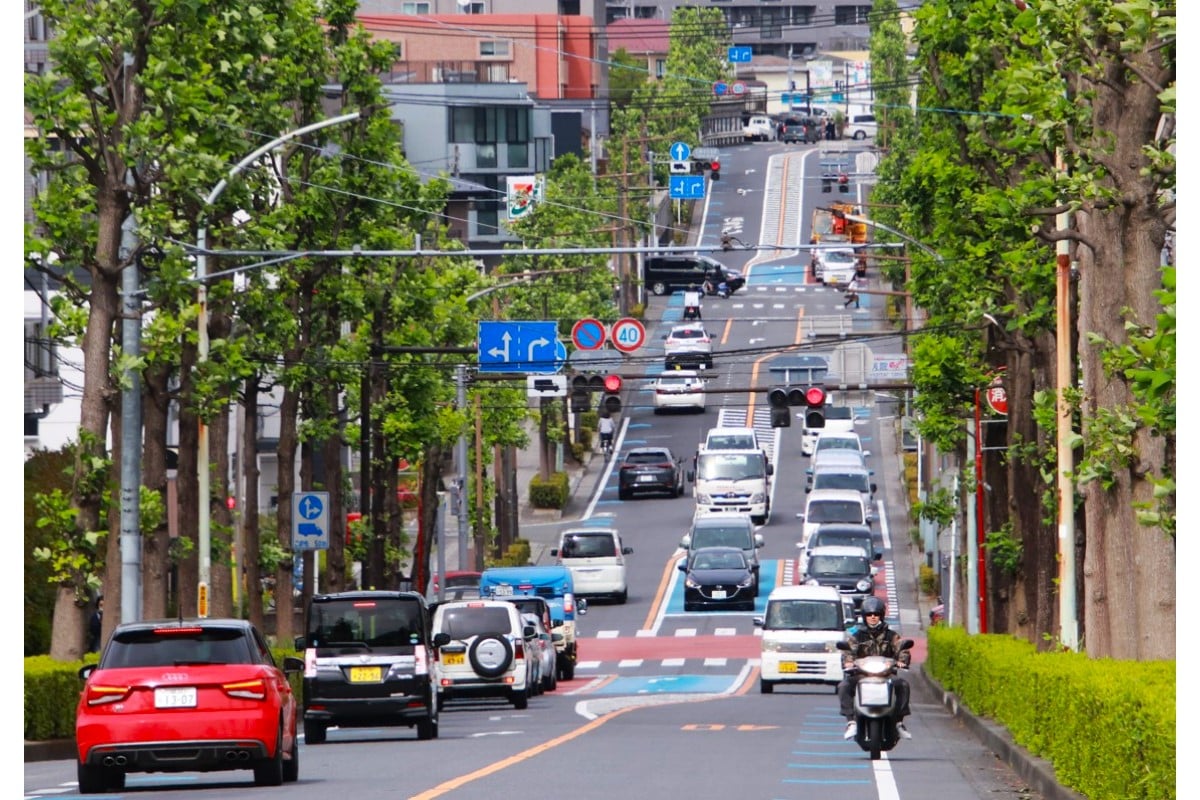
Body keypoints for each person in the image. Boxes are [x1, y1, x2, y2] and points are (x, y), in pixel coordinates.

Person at [838, 596, 912, 740]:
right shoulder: (857, 636)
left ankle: (899, 722)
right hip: (861, 675)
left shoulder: (891, 635)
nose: (873, 617)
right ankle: (851, 721)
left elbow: (902, 649)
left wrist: (902, 660)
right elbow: (848, 651)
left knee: (903, 685)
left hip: (886, 675)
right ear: (864, 617)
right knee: (843, 686)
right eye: (869, 615)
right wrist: (848, 662)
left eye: (876, 614)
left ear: (881, 616)